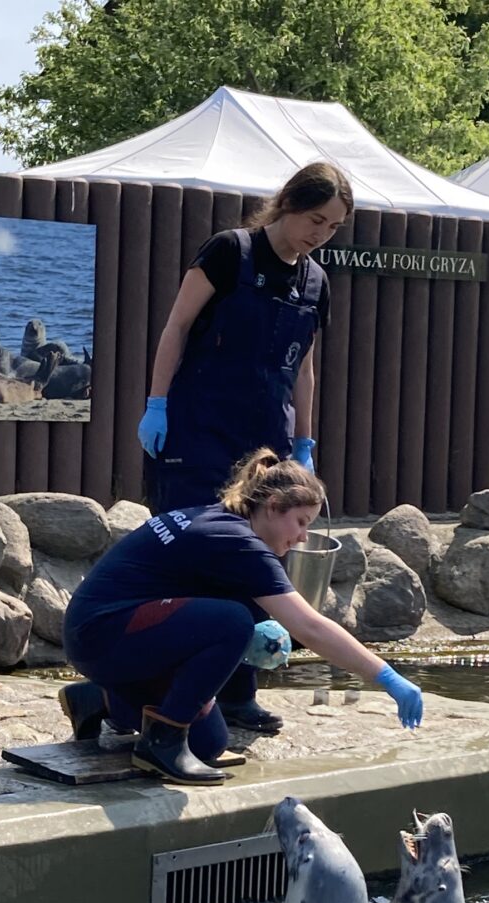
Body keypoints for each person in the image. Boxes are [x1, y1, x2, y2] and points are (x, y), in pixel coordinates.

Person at [137, 161, 353, 734]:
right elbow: (176, 328)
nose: (320, 234)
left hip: (266, 448)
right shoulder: (230, 252)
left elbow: (304, 368)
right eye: (315, 219)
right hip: (196, 433)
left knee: (257, 563)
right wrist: (157, 404)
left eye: (332, 227)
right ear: (287, 204)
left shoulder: (315, 282)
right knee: (190, 563)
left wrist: (304, 441)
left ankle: (237, 692)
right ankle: (155, 691)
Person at [60, 450, 423, 788]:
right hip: (100, 633)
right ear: (273, 506)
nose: (302, 537)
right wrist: (385, 676)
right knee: (232, 622)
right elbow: (309, 626)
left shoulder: (224, 519)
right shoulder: (237, 541)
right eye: (300, 522)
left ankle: (99, 699)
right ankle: (160, 745)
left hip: (104, 633)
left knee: (208, 742)